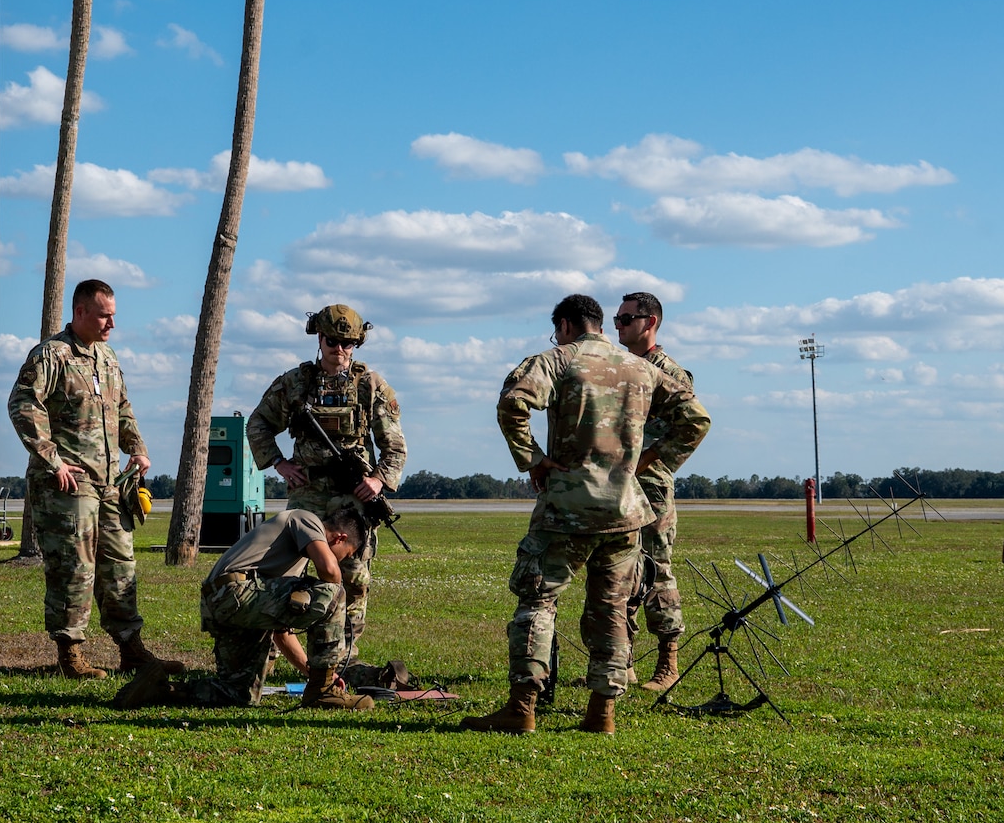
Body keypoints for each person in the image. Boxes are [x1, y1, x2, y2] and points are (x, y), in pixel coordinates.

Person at [462, 293, 710, 736]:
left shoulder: (557, 360)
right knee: (612, 608)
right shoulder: (641, 367)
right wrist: (651, 459)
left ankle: (522, 707)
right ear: (600, 323)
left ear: (567, 325)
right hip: (625, 509)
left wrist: (534, 459)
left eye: (557, 329)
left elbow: (512, 403)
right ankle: (602, 713)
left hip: (568, 508)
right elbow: (695, 418)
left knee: (538, 600)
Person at [7, 279, 171, 679]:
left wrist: (138, 447)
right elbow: (23, 404)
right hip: (68, 486)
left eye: (113, 315)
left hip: (110, 482)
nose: (111, 323)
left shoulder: (108, 358)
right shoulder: (53, 355)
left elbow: (124, 409)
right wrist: (53, 461)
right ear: (80, 312)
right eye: (104, 315)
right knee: (74, 568)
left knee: (120, 565)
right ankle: (70, 655)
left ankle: (131, 650)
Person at [246, 304, 407, 664]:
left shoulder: (370, 386)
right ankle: (265, 652)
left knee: (353, 577)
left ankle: (342, 659)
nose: (340, 349)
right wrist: (279, 463)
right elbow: (257, 424)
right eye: (333, 341)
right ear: (319, 339)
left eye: (348, 343)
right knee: (283, 572)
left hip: (352, 501)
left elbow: (394, 444)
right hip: (306, 496)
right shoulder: (295, 383)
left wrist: (379, 480)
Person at [113, 506, 374, 711]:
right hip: (234, 594)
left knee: (240, 693)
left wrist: (312, 671)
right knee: (334, 592)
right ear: (339, 538)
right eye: (347, 555)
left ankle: (160, 689)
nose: (343, 561)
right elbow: (330, 571)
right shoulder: (306, 519)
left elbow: (282, 632)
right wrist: (323, 681)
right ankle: (324, 693)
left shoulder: (289, 560)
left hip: (227, 604)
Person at [613, 290, 698, 694]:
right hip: (617, 486)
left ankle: (668, 663)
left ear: (651, 322)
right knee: (619, 572)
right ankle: (622, 662)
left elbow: (692, 426)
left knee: (655, 570)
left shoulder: (668, 371)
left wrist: (655, 461)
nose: (618, 325)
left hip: (650, 489)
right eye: (616, 318)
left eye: (626, 319)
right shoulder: (621, 367)